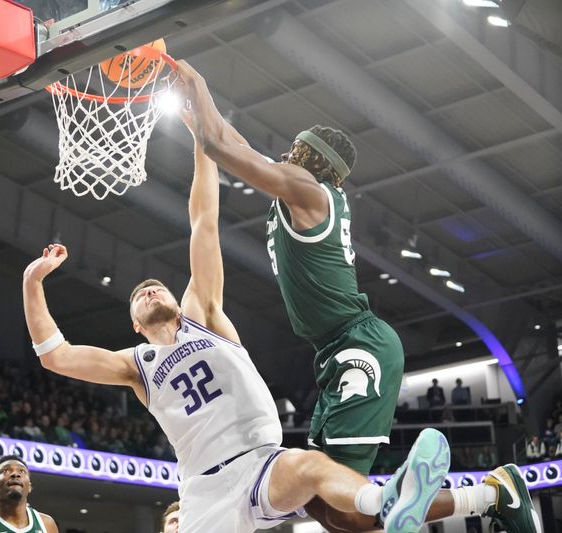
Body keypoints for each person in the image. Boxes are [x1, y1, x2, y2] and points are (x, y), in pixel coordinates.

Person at [170, 60, 540, 533]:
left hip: (356, 347)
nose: (284, 152)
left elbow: (219, 145)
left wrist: (198, 84)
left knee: (345, 509)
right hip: (336, 350)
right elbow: (232, 142)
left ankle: (462, 493)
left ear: (310, 159)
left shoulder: (305, 190)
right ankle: (486, 495)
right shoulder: (301, 191)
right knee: (327, 508)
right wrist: (199, 113)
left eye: (295, 148)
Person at [23, 131, 451, 533]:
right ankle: (474, 497)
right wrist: (33, 281)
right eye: (139, 295)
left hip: (262, 464)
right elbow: (55, 356)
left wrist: (201, 143)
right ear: (136, 325)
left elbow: (203, 220)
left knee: (312, 466)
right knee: (333, 508)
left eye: (155, 286)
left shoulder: (202, 315)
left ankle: (387, 500)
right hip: (203, 490)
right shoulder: (136, 365)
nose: (149, 289)